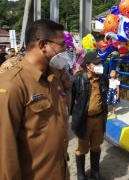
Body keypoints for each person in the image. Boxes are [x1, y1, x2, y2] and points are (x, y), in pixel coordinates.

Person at [0, 19, 70, 180]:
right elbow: (4, 152)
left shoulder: (54, 78)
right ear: (43, 45)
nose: (65, 51)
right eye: (61, 45)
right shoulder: (12, 86)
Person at [71, 51, 109, 180]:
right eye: (97, 63)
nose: (100, 65)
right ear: (88, 66)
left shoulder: (104, 79)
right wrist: (75, 119)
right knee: (82, 148)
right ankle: (81, 175)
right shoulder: (78, 79)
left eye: (101, 62)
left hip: (98, 119)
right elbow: (72, 102)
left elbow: (104, 99)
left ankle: (95, 172)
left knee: (96, 146)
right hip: (84, 120)